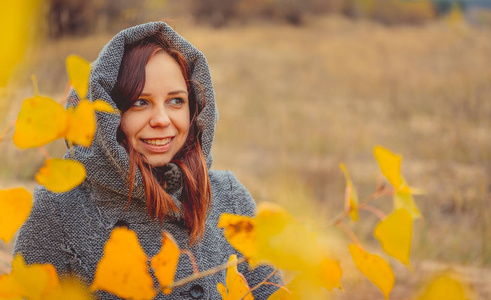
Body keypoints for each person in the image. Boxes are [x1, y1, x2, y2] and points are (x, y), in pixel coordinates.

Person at [14, 22, 281, 299]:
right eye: (140, 102)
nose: (162, 120)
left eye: (176, 101)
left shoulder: (230, 197)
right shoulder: (60, 208)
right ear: (108, 115)